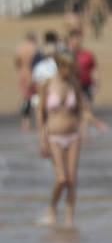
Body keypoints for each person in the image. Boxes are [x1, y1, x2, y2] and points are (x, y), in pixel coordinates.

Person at [36, 54, 106, 226]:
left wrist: (96, 122)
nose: (72, 71)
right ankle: (52, 208)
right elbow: (40, 112)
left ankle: (69, 222)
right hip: (53, 136)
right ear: (60, 66)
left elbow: (82, 109)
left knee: (72, 180)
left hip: (73, 136)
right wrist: (41, 139)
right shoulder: (47, 84)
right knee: (61, 179)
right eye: (69, 67)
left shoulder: (73, 84)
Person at [14, 31, 38, 131]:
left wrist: (22, 68)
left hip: (24, 74)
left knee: (25, 98)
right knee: (36, 98)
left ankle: (25, 123)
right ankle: (38, 120)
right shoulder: (35, 48)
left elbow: (17, 62)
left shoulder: (19, 48)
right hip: (34, 74)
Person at [69, 31, 98, 99]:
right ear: (69, 40)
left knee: (86, 107)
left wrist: (96, 84)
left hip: (86, 87)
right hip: (70, 87)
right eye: (73, 39)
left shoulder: (87, 54)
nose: (76, 42)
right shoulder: (65, 55)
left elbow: (93, 69)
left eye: (78, 39)